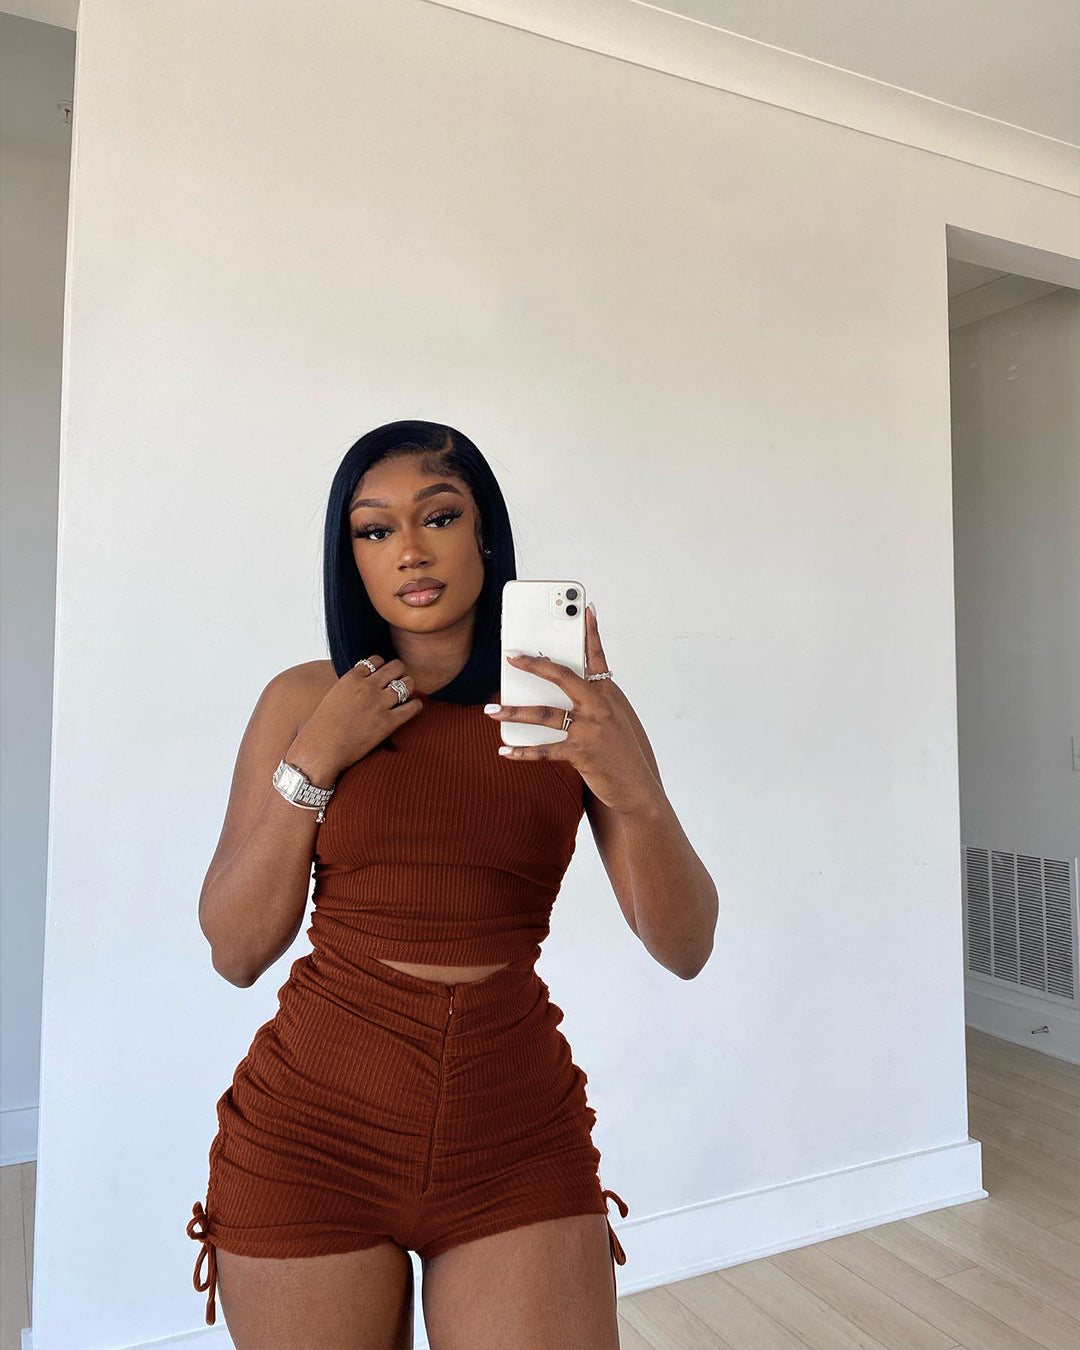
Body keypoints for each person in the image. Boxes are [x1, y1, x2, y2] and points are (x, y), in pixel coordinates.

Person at [186, 419, 716, 1348]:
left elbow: (686, 947)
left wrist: (636, 789)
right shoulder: (304, 700)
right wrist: (317, 756)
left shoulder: (575, 711)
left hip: (515, 1132)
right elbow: (236, 952)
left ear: (486, 537)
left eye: (438, 517)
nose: (410, 550)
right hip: (312, 1135)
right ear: (350, 556)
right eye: (375, 529)